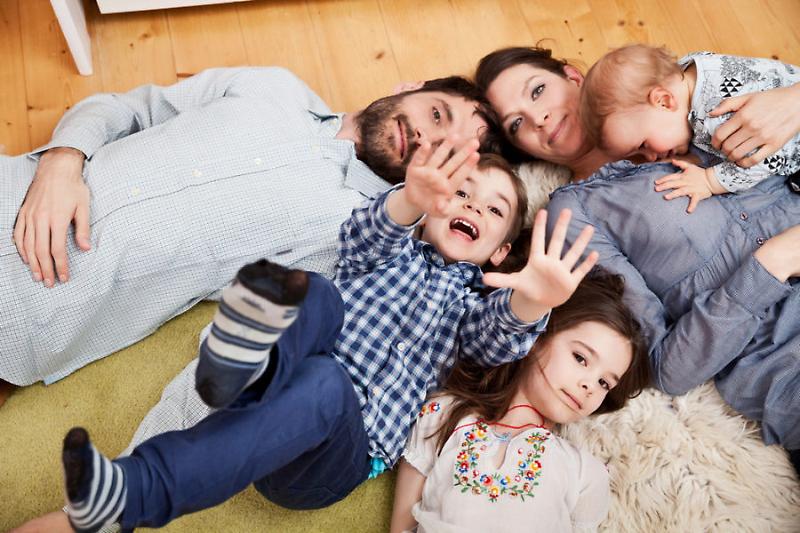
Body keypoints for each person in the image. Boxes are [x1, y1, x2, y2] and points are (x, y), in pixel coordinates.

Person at [48, 138, 599, 532]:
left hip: (332, 459)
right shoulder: (387, 253)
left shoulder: (473, 309)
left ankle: (153, 477)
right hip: (277, 392)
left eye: (494, 209)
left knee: (326, 382)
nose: (474, 205)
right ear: (433, 205)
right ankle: (232, 375)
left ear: (500, 250)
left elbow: (499, 336)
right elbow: (370, 232)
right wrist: (409, 196)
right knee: (318, 293)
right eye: (461, 192)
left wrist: (536, 298)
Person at [0, 66, 495, 389]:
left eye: (447, 148)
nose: (427, 136)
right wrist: (62, 161)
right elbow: (129, 106)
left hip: (26, 318)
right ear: (411, 85)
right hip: (15, 187)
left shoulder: (357, 237)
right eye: (436, 114)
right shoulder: (272, 86)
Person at [474, 46, 800, 474]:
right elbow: (666, 366)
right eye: (517, 124)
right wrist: (771, 264)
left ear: (574, 77)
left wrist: (794, 99)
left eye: (537, 91)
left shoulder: (683, 85)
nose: (538, 120)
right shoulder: (574, 216)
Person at [389, 270, 651, 533]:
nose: (589, 387)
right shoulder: (442, 413)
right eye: (580, 358)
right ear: (539, 337)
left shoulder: (588, 474)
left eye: (604, 383)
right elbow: (401, 527)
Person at [579, 43, 800, 212]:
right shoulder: (692, 68)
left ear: (664, 101)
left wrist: (709, 181)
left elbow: (764, 159)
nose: (651, 157)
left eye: (643, 145)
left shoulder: (717, 113)